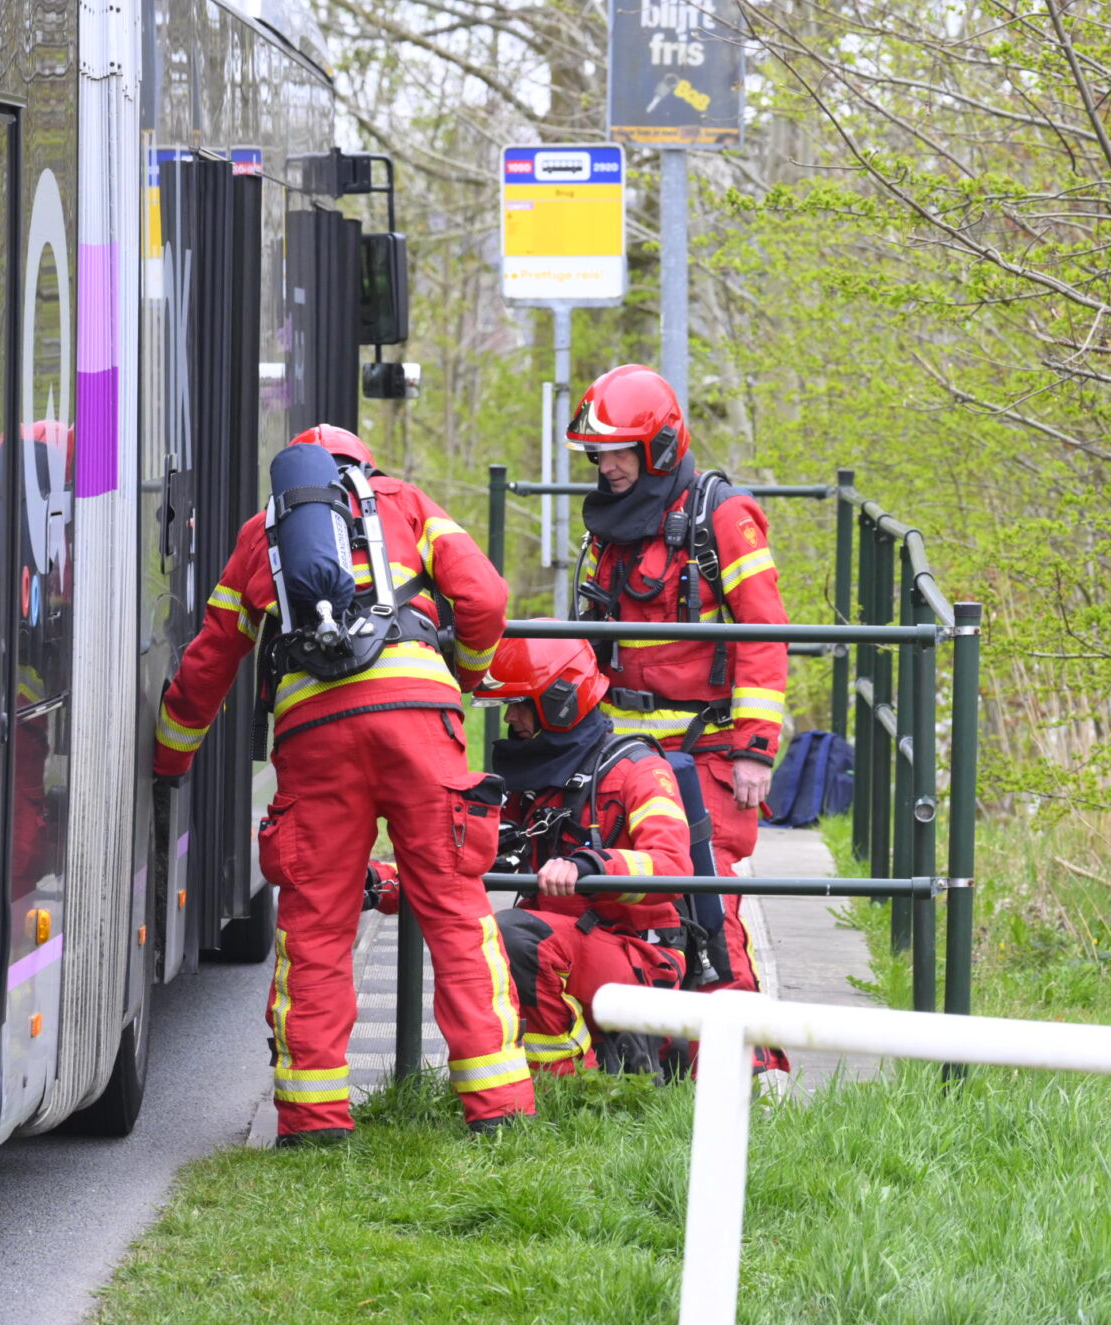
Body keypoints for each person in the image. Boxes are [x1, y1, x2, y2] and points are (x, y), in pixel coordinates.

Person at [152, 425, 529, 1145]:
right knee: (455, 907)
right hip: (420, 721)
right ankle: (500, 1108)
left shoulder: (260, 537)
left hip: (314, 734)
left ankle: (314, 1118)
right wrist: (468, 676)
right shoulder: (407, 503)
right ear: (363, 467)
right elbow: (484, 597)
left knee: (318, 923)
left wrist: (171, 756)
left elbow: (210, 662)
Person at [567, 364, 790, 1069]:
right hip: (626, 751)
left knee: (707, 913)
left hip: (710, 754)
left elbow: (764, 629)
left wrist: (756, 746)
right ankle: (649, 1064)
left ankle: (748, 1073)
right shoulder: (611, 528)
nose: (606, 467)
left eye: (619, 452)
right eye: (598, 455)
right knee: (623, 899)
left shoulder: (721, 517)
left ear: (659, 446)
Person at [369, 636, 694, 1075]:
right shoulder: (538, 781)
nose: (510, 717)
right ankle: (567, 1078)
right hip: (570, 946)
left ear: (560, 701)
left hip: (639, 956)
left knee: (515, 936)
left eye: (521, 703)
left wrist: (591, 866)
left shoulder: (640, 771)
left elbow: (672, 867)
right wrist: (381, 883)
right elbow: (459, 863)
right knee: (496, 938)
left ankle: (573, 1084)